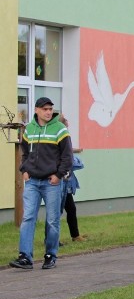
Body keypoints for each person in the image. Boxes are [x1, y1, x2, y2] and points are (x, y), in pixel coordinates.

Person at [9, 97, 73, 270]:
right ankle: (25, 257)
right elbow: (24, 153)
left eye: (50, 109)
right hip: (32, 182)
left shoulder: (60, 130)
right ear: (36, 110)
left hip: (51, 182)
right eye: (44, 109)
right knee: (28, 217)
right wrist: (24, 170)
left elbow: (68, 157)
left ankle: (50, 255)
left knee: (52, 220)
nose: (48, 112)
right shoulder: (29, 129)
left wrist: (58, 175)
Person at [56, 114, 85, 244]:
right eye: (65, 120)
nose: (68, 121)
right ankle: (51, 239)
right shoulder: (60, 135)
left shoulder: (64, 136)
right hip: (60, 181)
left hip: (66, 182)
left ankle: (75, 235)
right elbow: (69, 159)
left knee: (70, 209)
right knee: (56, 211)